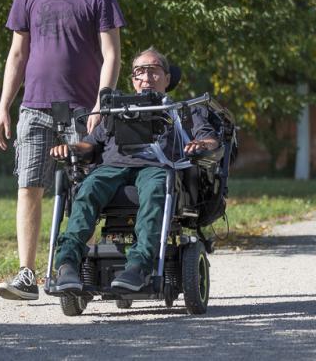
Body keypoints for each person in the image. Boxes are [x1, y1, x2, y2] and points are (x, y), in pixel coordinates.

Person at [0, 0, 125, 301]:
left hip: (83, 110)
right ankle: (27, 275)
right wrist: (4, 106)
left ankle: (74, 268)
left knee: (82, 190)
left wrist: (103, 103)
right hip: (34, 109)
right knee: (28, 186)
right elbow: (17, 55)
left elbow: (112, 55)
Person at [50, 48, 219, 292]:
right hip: (113, 168)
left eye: (153, 71)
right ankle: (66, 264)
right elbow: (91, 143)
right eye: (140, 72)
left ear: (167, 78)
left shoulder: (183, 111)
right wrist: (70, 149)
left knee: (155, 190)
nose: (146, 78)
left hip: (158, 168)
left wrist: (201, 144)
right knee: (87, 189)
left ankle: (138, 266)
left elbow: (210, 140)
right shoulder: (117, 110)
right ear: (132, 80)